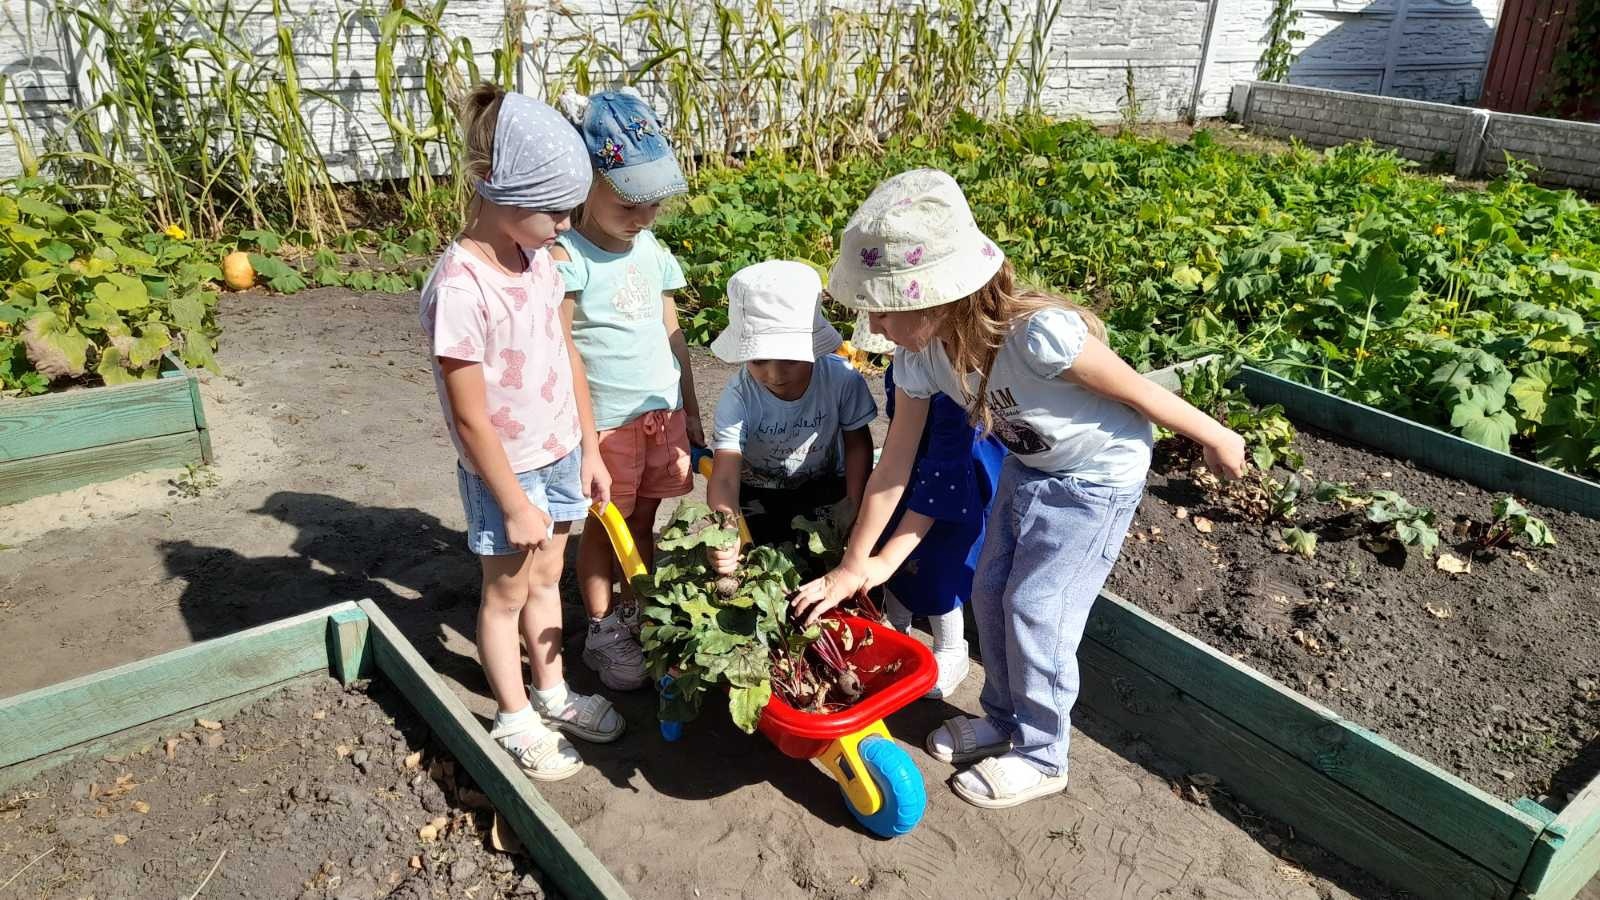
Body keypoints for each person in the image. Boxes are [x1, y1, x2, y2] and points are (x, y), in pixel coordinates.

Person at [792, 169, 1246, 808]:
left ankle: (1043, 753)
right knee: (989, 588)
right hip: (1031, 469)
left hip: (1097, 478)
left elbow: (1138, 391)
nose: (873, 320)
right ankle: (1003, 719)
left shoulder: (1037, 334)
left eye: (886, 305)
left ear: (939, 295)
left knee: (1038, 609)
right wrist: (853, 566)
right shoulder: (920, 359)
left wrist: (1216, 436)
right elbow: (895, 467)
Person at [419, 84, 624, 782]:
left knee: (548, 579)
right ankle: (513, 716)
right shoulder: (460, 289)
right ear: (493, 190)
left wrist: (590, 449)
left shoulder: (541, 261)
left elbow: (567, 356)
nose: (567, 224)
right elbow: (471, 414)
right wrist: (511, 500)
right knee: (505, 593)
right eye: (554, 210)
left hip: (561, 452)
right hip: (505, 472)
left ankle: (554, 691)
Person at [552, 88, 700, 692]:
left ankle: (636, 606)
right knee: (601, 527)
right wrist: (583, 439)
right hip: (606, 424)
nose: (641, 217)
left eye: (653, 204)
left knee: (644, 517)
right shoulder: (569, 255)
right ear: (584, 184)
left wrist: (691, 411)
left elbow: (672, 333)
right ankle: (601, 626)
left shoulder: (654, 251)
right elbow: (560, 349)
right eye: (626, 203)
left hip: (660, 420)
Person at [846, 318, 1005, 700]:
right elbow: (901, 431)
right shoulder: (904, 365)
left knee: (940, 567)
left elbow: (946, 469)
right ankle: (895, 632)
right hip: (914, 466)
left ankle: (951, 649)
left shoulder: (951, 390)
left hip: (954, 477)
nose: (891, 351)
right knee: (895, 553)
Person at [703, 260, 876, 571]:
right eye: (759, 361)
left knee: (825, 557)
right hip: (758, 489)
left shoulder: (842, 380)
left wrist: (855, 506)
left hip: (824, 483)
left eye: (790, 360)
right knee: (762, 562)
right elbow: (726, 474)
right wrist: (726, 528)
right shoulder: (738, 396)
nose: (774, 374)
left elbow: (857, 445)